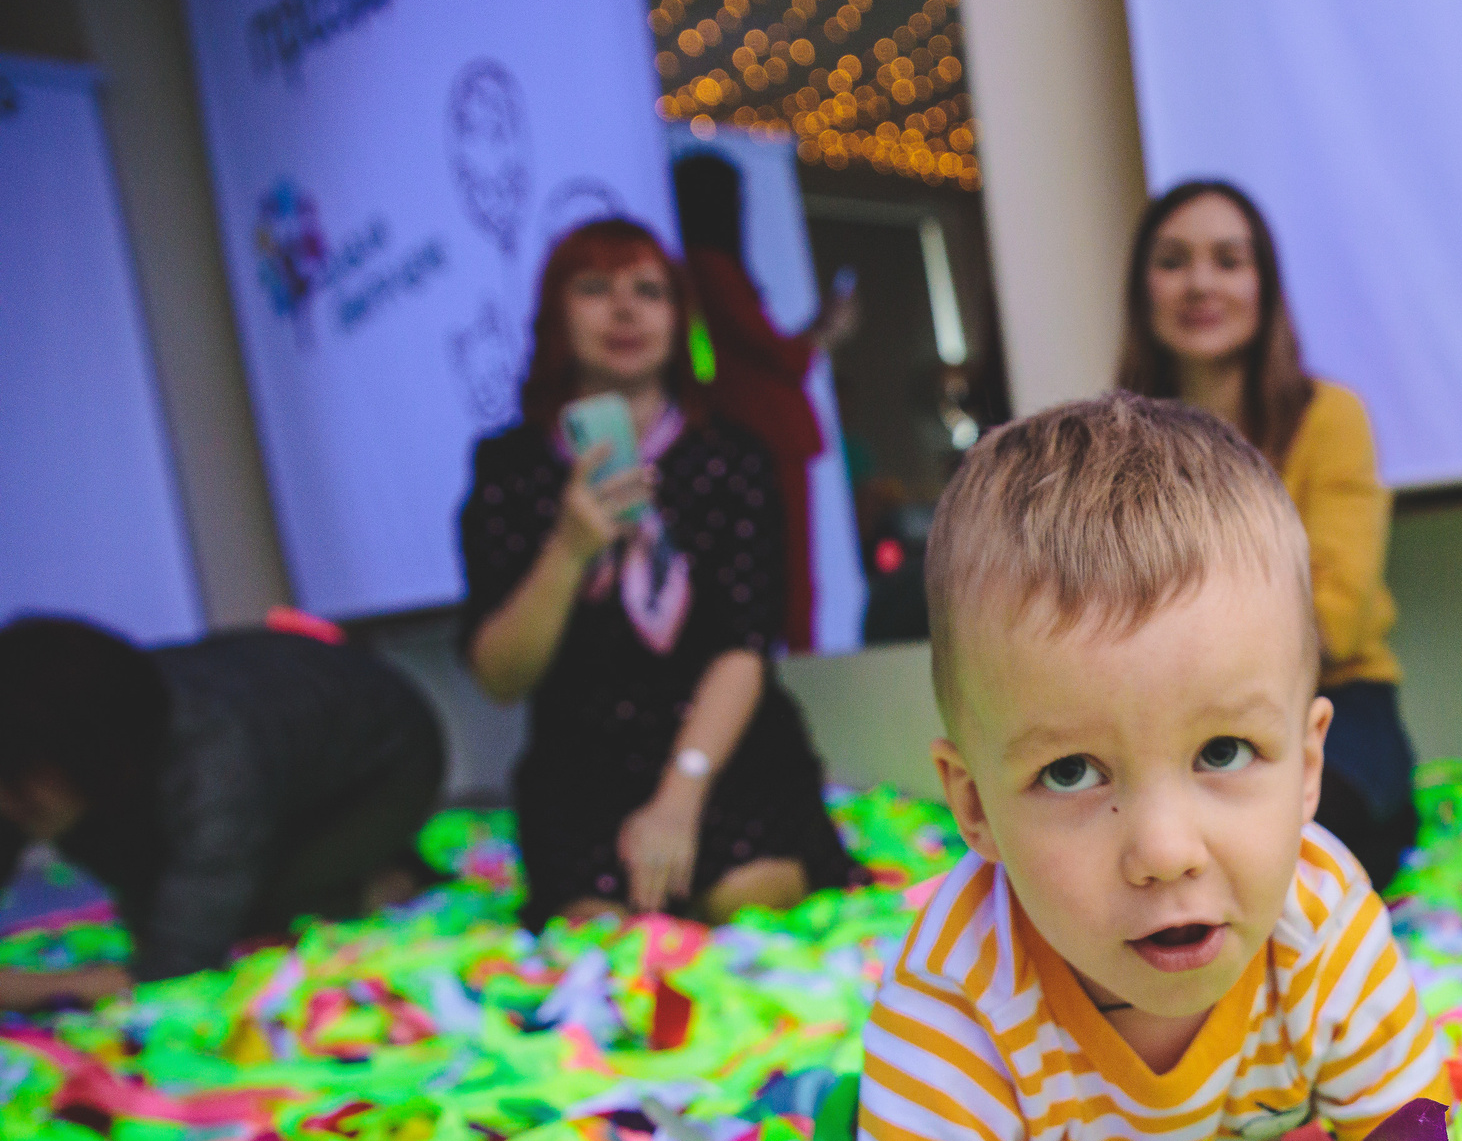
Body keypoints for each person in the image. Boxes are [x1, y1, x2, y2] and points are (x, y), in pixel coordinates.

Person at [850, 394, 1447, 1141]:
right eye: (1069, 771)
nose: (1166, 851)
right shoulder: (956, 997)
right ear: (975, 807)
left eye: (1224, 751)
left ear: (1308, 766)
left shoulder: (1323, 923)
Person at [459, 218, 853, 931]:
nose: (624, 309)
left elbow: (745, 643)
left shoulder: (730, 456)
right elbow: (499, 675)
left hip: (722, 751)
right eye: (594, 288)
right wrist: (569, 549)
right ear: (555, 313)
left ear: (679, 318)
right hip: (582, 768)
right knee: (604, 933)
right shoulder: (511, 469)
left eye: (649, 290)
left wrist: (680, 795)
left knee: (745, 899)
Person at [1116, 181, 1419, 893]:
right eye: (1172, 261)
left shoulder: (1330, 417)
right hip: (1158, 726)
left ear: (1265, 286)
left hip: (1335, 710)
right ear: (1141, 289)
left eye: (1229, 260)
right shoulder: (1115, 439)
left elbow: (1332, 623)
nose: (1200, 283)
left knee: (1280, 860)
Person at [0, 616, 445, 1008]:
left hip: (385, 767)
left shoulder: (215, 764)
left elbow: (179, 967)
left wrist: (39, 988)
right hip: (272, 745)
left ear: (87, 761)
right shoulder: (65, 751)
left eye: (21, 788)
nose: (6, 802)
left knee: (246, 918)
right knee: (176, 889)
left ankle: (386, 877)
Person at [672, 150, 861, 654]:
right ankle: (800, 677)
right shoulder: (709, 267)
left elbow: (753, 355)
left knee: (783, 575)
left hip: (757, 433)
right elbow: (778, 358)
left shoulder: (704, 270)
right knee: (791, 575)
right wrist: (826, 331)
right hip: (764, 437)